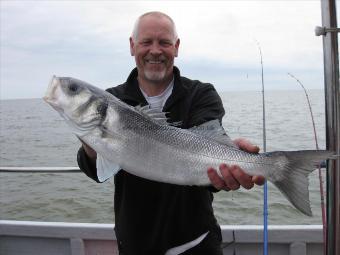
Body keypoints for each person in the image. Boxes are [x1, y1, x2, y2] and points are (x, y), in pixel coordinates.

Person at [77, 11, 265, 255]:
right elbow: (95, 170)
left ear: (176, 47)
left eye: (164, 42)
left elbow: (207, 151)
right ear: (132, 46)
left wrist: (230, 155)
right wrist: (93, 145)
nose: (155, 50)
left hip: (198, 242)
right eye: (146, 42)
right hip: (135, 244)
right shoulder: (113, 100)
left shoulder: (201, 94)